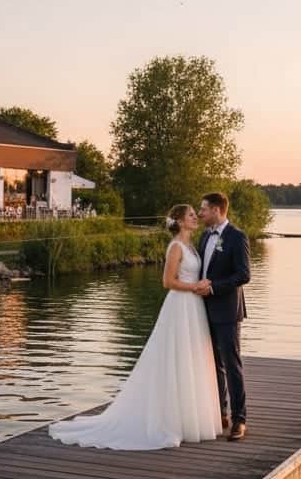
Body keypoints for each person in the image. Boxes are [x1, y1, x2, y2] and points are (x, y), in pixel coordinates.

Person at [48, 204, 221, 450]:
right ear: (180, 222)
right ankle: (170, 421)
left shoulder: (192, 245)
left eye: (196, 214)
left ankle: (189, 419)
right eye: (191, 215)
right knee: (175, 357)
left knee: (189, 359)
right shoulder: (175, 247)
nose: (196, 218)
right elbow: (167, 281)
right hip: (181, 305)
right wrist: (195, 287)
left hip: (194, 308)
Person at [194, 190, 250, 441]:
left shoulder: (237, 237)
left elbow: (243, 275)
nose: (200, 213)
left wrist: (213, 286)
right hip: (204, 310)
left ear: (217, 210)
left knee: (231, 364)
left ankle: (240, 419)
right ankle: (221, 413)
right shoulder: (205, 236)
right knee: (213, 365)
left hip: (227, 310)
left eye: (204, 209)